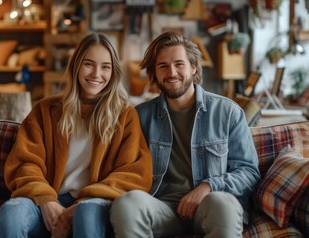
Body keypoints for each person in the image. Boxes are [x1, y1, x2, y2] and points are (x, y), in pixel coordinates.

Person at [0, 32, 153, 238]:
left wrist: (80, 204)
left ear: (113, 72)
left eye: (105, 67)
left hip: (93, 203)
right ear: (76, 66)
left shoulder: (125, 115)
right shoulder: (45, 110)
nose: (96, 74)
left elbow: (134, 173)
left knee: (86, 213)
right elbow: (25, 162)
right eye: (89, 64)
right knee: (11, 212)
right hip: (47, 200)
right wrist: (46, 199)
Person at [110, 31, 260, 238]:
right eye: (163, 66)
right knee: (127, 204)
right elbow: (125, 168)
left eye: (179, 64)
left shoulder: (228, 112)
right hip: (162, 208)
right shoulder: (140, 116)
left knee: (223, 203)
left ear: (193, 67)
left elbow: (248, 172)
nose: (172, 72)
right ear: (154, 73)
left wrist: (209, 185)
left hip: (210, 208)